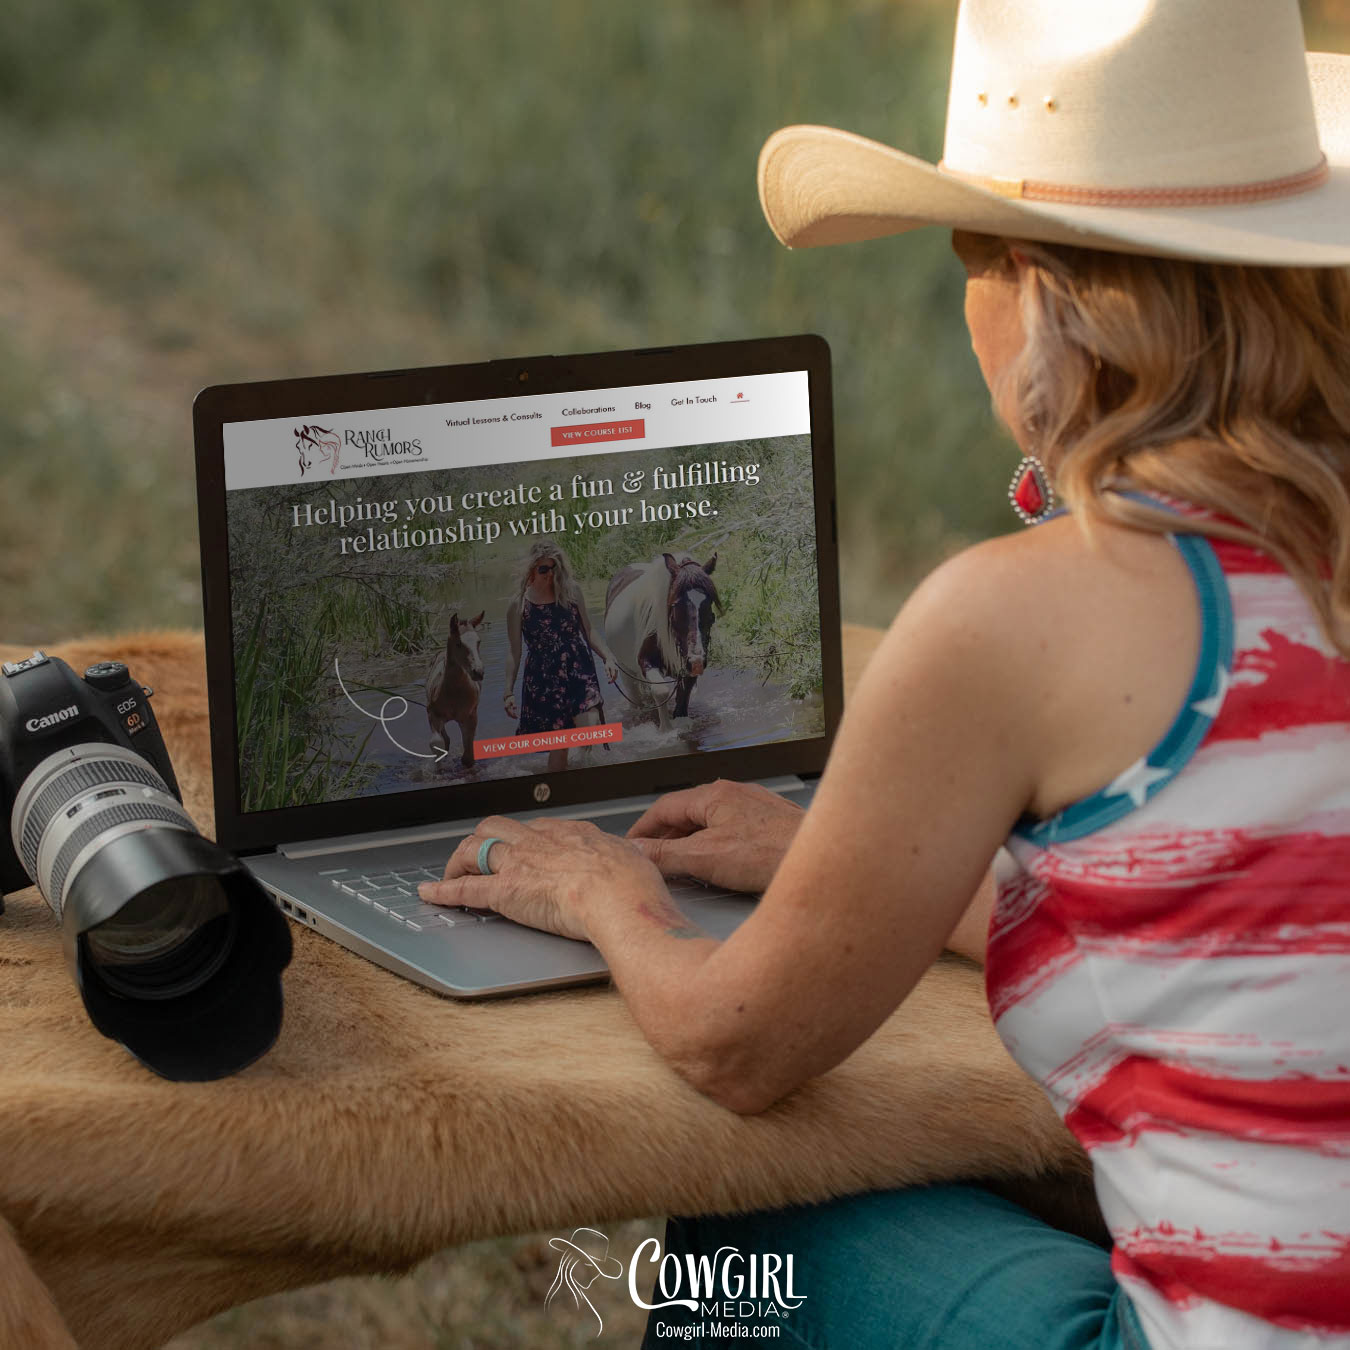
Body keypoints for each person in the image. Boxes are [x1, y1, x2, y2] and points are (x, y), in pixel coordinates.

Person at [419, 3, 1350, 1346]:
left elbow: (736, 1046)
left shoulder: (1017, 616)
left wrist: (604, 890)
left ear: (1039, 295)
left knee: (743, 1245)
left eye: (970, 256)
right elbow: (1253, 905)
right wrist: (848, 867)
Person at [503, 539, 619, 772]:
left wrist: (608, 656)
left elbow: (588, 630)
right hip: (544, 680)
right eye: (543, 569)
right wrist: (507, 692)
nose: (549, 574)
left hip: (578, 669)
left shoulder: (571, 591)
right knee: (560, 746)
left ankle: (590, 782)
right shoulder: (518, 605)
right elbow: (514, 652)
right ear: (531, 570)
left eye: (554, 567)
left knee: (589, 729)